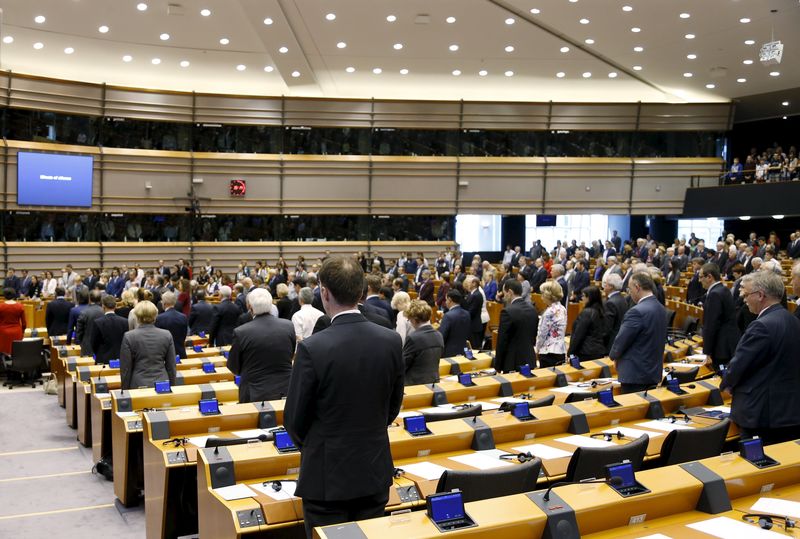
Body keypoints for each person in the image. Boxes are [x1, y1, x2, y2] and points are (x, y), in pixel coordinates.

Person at [284, 256, 404, 537]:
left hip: (327, 477)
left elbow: (294, 420)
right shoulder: (390, 341)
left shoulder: (313, 348)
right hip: (373, 470)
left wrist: (321, 446)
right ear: (362, 291)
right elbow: (392, 408)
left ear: (324, 293)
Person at [721, 271, 800, 444]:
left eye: (747, 294)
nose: (744, 299)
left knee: (756, 463)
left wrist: (726, 384)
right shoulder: (793, 320)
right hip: (789, 411)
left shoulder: (761, 326)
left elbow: (739, 365)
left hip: (761, 412)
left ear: (760, 295)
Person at [228, 288, 296, 402]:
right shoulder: (288, 326)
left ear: (249, 306)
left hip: (254, 393)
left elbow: (233, 366)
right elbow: (290, 354)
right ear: (271, 304)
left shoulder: (241, 332)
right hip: (286, 390)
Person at [608, 272, 666, 393]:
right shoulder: (660, 308)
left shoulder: (636, 312)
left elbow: (622, 340)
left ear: (637, 287)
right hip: (652, 371)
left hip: (634, 374)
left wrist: (613, 356)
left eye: (630, 289)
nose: (629, 292)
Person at [120, 300, 176, 390]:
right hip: (162, 382)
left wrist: (125, 390)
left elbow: (126, 368)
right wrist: (172, 387)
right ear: (155, 315)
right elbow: (171, 366)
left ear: (137, 316)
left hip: (138, 383)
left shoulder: (129, 336)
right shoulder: (166, 334)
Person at [699, 263, 740, 371]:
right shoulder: (723, 289)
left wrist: (707, 352)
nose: (699, 280)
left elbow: (711, 324)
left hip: (721, 347)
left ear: (709, 277)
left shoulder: (714, 294)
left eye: (701, 277)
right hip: (729, 344)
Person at [494, 279, 539, 373]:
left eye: (504, 292)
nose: (503, 295)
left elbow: (502, 340)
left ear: (510, 292)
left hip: (512, 362)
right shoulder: (532, 309)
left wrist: (497, 365)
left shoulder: (507, 311)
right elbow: (533, 335)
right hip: (529, 359)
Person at [402, 299, 444, 385]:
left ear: (414, 319)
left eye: (409, 319)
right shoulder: (439, 335)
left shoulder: (413, 338)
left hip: (414, 385)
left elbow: (403, 365)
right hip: (434, 382)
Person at [568, 286, 608, 362]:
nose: (581, 298)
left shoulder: (587, 313)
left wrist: (570, 353)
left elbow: (579, 334)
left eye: (583, 296)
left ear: (589, 297)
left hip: (586, 352)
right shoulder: (600, 310)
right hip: (598, 350)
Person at [535, 280, 567, 368]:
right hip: (560, 350)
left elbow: (542, 334)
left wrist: (537, 348)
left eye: (542, 294)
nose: (541, 297)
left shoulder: (549, 312)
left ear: (548, 295)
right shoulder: (562, 308)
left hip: (548, 352)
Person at [89, 294, 129, 364]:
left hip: (103, 359)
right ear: (116, 306)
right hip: (121, 359)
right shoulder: (125, 322)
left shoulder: (98, 322)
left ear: (103, 306)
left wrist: (99, 353)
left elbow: (93, 344)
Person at [438, 289, 471, 357]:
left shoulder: (448, 316)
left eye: (446, 300)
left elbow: (441, 337)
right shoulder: (467, 313)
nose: (445, 302)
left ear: (450, 300)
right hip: (464, 351)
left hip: (449, 353)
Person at [154, 292, 188, 359]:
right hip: (180, 352)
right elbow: (184, 335)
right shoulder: (183, 317)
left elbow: (158, 339)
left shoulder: (159, 318)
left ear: (164, 303)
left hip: (165, 355)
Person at [602, 273, 628, 350]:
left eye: (605, 283)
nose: (604, 286)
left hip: (611, 342)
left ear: (611, 286)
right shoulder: (622, 298)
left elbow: (607, 328)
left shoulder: (610, 303)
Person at [76, 290, 103, 357]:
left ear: (89, 299)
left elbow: (79, 331)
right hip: (102, 347)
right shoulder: (104, 312)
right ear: (100, 299)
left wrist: (81, 343)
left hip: (87, 347)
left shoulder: (84, 312)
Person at [0, 288, 26, 357]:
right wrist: (22, 331)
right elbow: (24, 323)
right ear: (14, 295)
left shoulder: (1, 306)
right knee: (17, 353)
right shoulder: (20, 306)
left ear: (4, 296)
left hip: (3, 332)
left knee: (3, 354)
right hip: (17, 331)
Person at [462, 276, 485, 349]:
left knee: (474, 348)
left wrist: (462, 315)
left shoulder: (476, 295)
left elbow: (471, 312)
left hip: (474, 326)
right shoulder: (472, 294)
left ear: (474, 284)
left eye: (469, 282)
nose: (467, 284)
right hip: (472, 325)